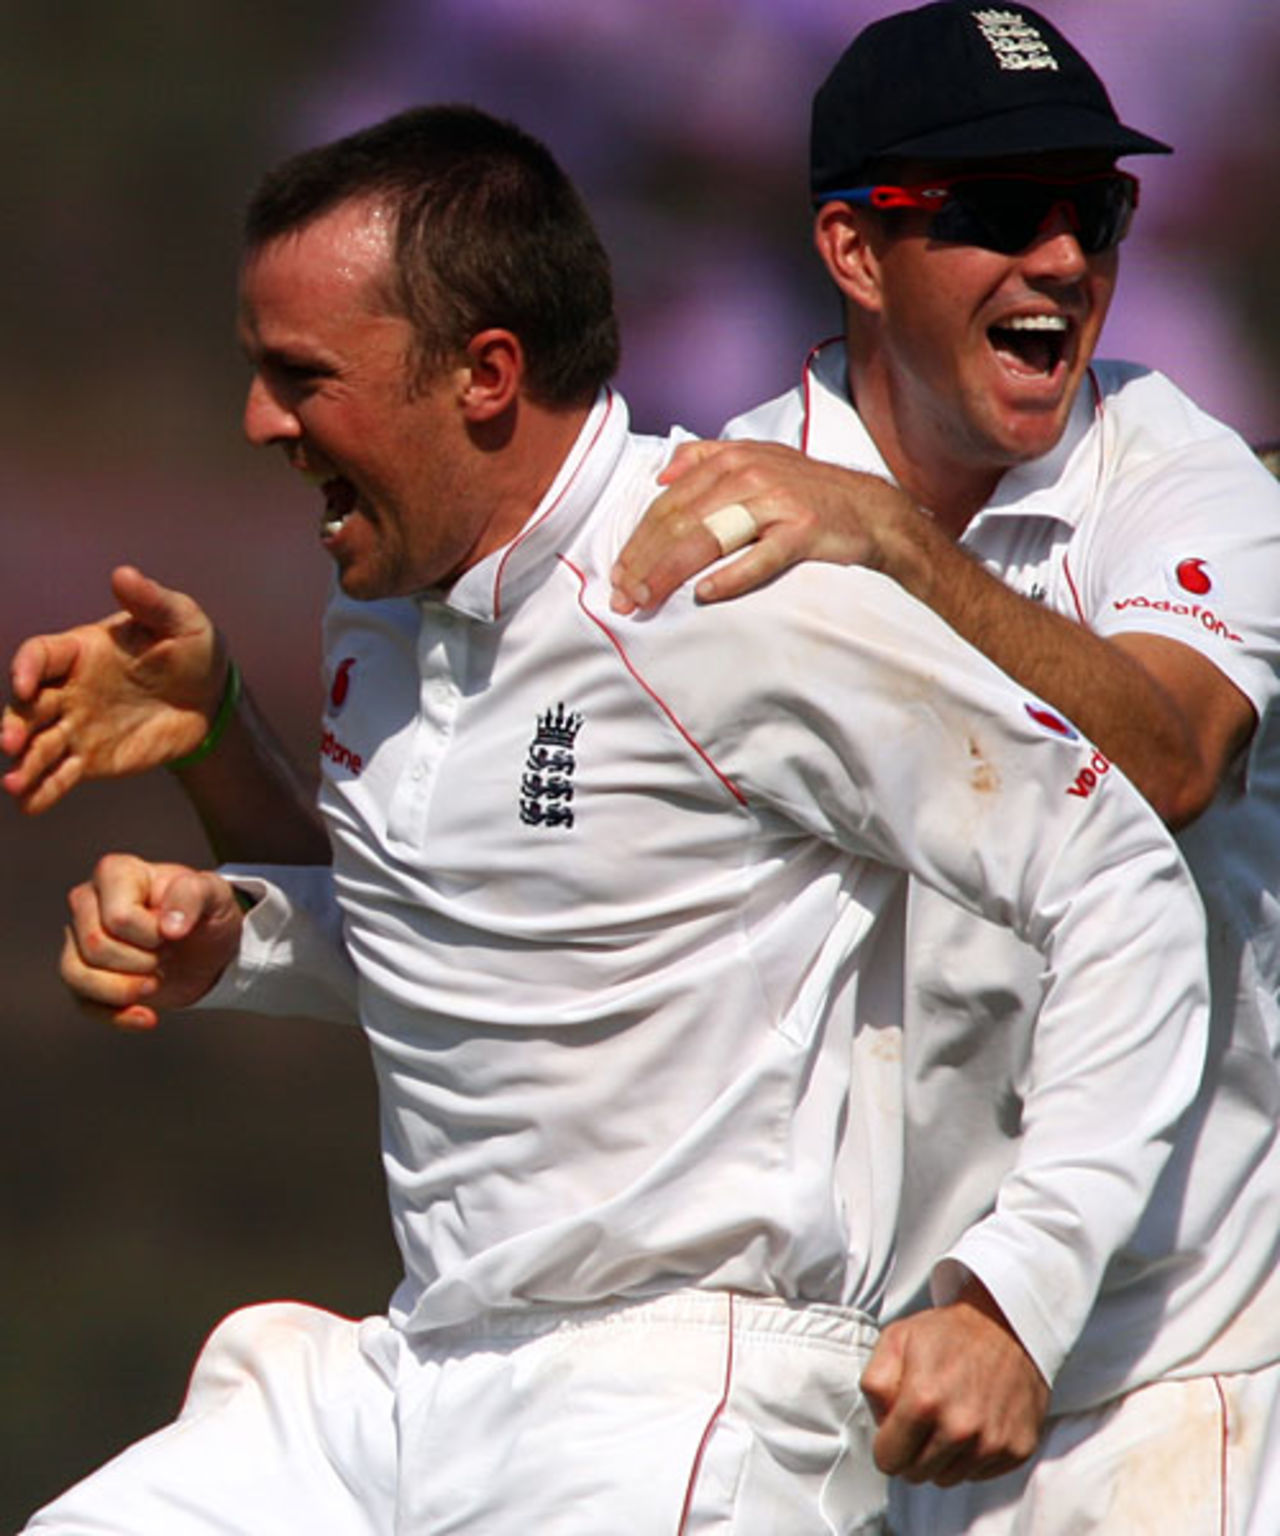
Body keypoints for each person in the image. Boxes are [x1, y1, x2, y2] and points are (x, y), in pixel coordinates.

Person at [14, 102, 1213, 1535]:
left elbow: (1121, 881)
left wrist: (1014, 1299)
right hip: (406, 1371)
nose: (261, 422)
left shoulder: (730, 580)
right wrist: (241, 919)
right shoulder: (383, 603)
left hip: (672, 1393)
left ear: (485, 376)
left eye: (302, 377)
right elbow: (518, 931)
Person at [605, 6, 1280, 1532]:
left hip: (1176, 1393)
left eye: (1092, 208)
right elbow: (554, 892)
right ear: (854, 251)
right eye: (998, 211)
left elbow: (1173, 760)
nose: (1064, 259)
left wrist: (895, 544)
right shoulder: (709, 503)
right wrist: (234, 816)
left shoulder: (1190, 481)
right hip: (864, 1405)